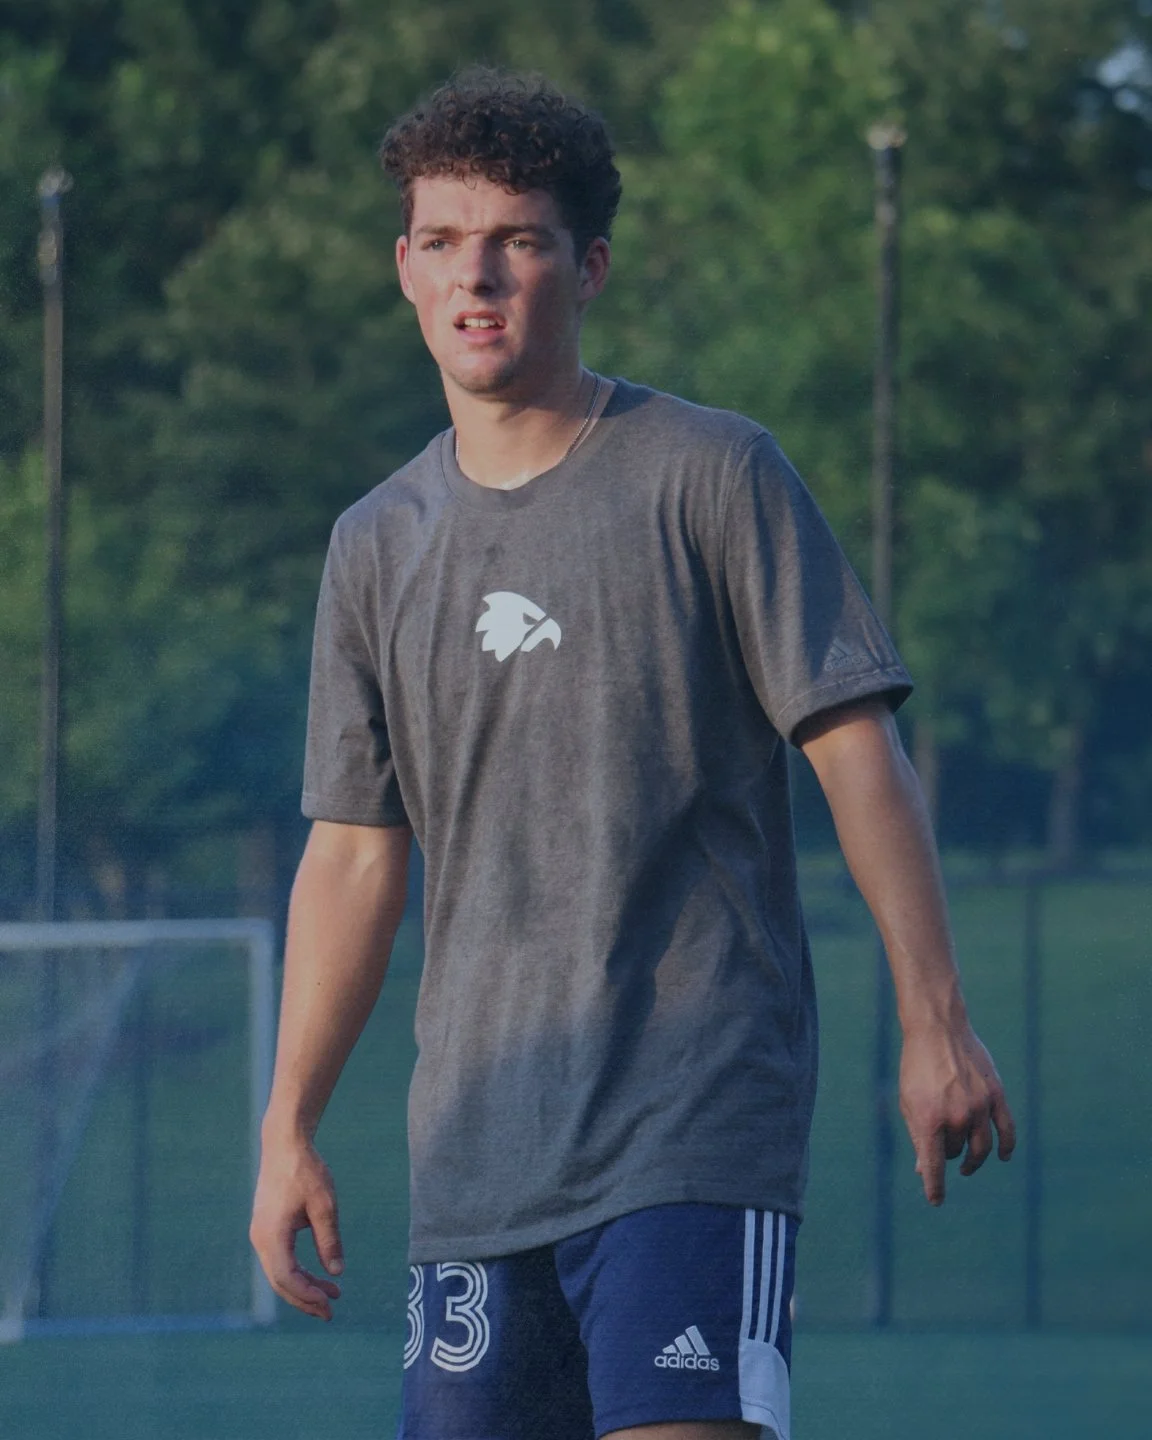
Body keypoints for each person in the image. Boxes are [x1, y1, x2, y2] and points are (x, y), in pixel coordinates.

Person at [250, 67, 1015, 1440]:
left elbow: (857, 753)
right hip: (474, 1156)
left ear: (587, 264)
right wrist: (287, 1123)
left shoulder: (711, 474)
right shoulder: (376, 543)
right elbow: (357, 858)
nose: (477, 276)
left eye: (520, 239)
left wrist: (935, 1020)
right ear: (404, 270)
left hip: (692, 1118)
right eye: (442, 241)